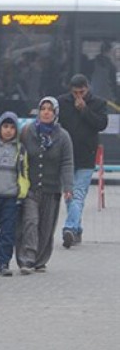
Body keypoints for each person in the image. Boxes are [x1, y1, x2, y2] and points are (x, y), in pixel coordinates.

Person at [17, 97, 74, 274]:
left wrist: (68, 187)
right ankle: (27, 259)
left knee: (46, 226)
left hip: (51, 189)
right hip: (31, 189)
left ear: (56, 113)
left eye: (50, 109)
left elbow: (67, 163)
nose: (46, 112)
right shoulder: (28, 132)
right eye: (43, 109)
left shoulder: (63, 137)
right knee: (30, 223)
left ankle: (40, 259)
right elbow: (18, 156)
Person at [57, 74, 108, 248]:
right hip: (66, 156)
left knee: (78, 193)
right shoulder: (62, 102)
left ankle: (69, 228)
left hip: (87, 155)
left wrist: (84, 110)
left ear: (88, 88)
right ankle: (76, 229)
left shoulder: (98, 103)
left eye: (82, 92)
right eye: (75, 92)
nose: (78, 96)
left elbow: (101, 124)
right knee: (70, 194)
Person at [0, 112, 29, 276]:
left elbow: (24, 172)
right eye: (5, 126)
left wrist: (22, 192)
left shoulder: (19, 149)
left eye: (12, 127)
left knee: (7, 232)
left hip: (11, 198)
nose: (8, 131)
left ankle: (3, 262)